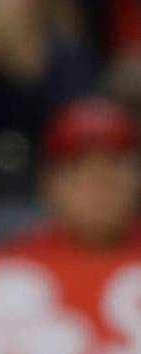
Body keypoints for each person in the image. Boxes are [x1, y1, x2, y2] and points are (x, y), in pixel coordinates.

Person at [21, 95, 139, 250]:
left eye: (114, 166)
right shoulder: (14, 267)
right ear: (49, 182)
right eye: (80, 170)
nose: (100, 186)